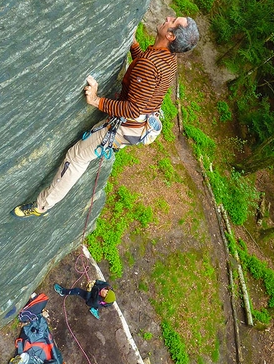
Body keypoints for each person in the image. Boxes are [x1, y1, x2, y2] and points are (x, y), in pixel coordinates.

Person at [11, 15, 199, 219]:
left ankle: (42, 206)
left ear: (170, 35)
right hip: (139, 123)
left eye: (172, 21)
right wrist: (134, 45)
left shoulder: (151, 64)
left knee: (76, 158)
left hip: (127, 124)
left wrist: (95, 100)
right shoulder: (167, 59)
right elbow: (144, 76)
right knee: (81, 153)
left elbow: (133, 109)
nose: (168, 17)